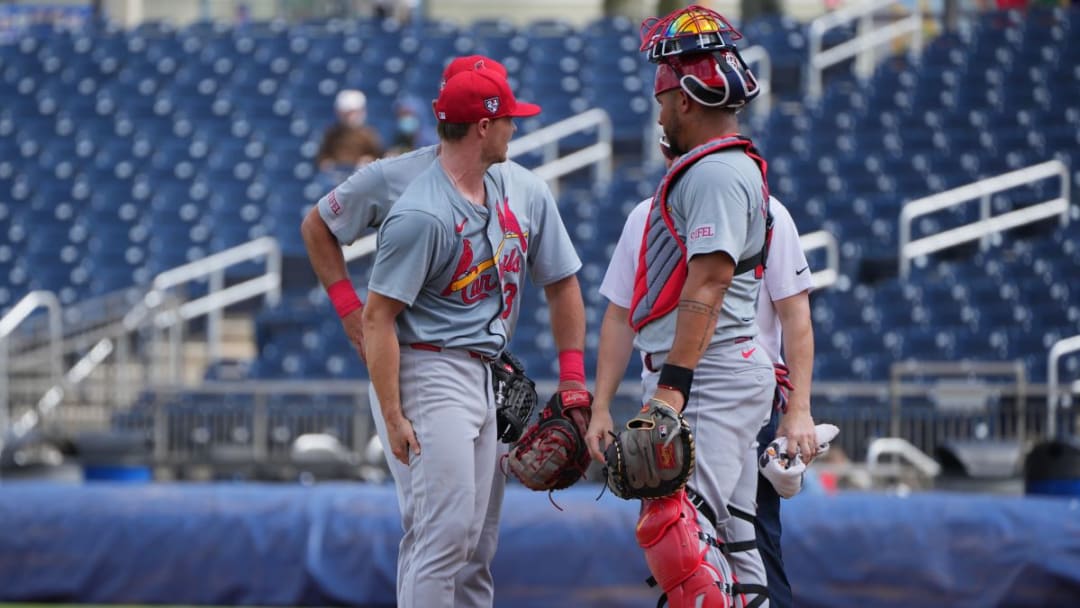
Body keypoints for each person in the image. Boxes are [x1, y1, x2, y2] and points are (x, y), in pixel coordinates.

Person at [301, 56, 588, 608]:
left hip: (487, 369)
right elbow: (318, 227)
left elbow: (562, 282)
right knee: (442, 532)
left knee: (475, 544)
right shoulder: (406, 189)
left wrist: (572, 378)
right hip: (422, 364)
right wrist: (348, 312)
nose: (515, 125)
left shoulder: (520, 188)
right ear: (479, 122)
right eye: (507, 115)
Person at [588, 5, 775, 607]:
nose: (660, 112)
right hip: (718, 370)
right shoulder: (712, 168)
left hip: (710, 375)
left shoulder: (717, 173)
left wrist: (672, 388)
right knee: (734, 545)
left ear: (688, 102)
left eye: (664, 100)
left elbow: (708, 284)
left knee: (682, 538)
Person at [587, 136, 817, 608]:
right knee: (736, 541)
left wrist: (799, 410)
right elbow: (618, 316)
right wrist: (602, 405)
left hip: (734, 387)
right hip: (670, 387)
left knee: (688, 535)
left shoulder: (765, 210)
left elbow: (795, 316)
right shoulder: (645, 217)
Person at [315, 88, 384, 172]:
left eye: (351, 113)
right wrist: (326, 162)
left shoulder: (368, 134)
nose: (349, 117)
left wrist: (369, 160)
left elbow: (380, 157)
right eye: (345, 113)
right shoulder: (332, 133)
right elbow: (323, 156)